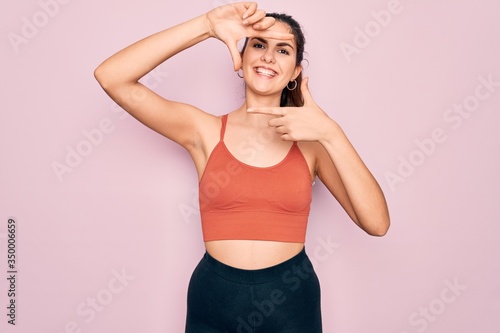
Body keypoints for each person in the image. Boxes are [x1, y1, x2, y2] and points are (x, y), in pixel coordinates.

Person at [94, 2, 390, 332]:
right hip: (213, 298)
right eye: (259, 44)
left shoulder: (313, 144)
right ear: (242, 57)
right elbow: (112, 77)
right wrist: (206, 24)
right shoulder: (203, 131)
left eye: (283, 50)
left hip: (292, 303)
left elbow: (376, 223)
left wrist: (332, 133)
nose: (267, 56)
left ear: (295, 72)